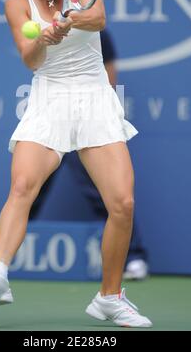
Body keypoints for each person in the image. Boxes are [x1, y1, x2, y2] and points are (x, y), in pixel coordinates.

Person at [0, 0, 152, 328]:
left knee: (122, 204)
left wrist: (67, 19)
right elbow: (30, 59)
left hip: (94, 97)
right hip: (48, 99)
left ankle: (110, 297)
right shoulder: (17, 2)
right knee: (22, 186)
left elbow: (99, 17)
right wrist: (46, 38)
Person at [29, 29, 149, 281]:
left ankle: (134, 257)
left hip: (87, 123)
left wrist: (97, 113)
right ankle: (0, 261)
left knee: (110, 196)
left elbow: (109, 70)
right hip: (51, 120)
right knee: (28, 189)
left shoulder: (97, 27)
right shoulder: (46, 26)